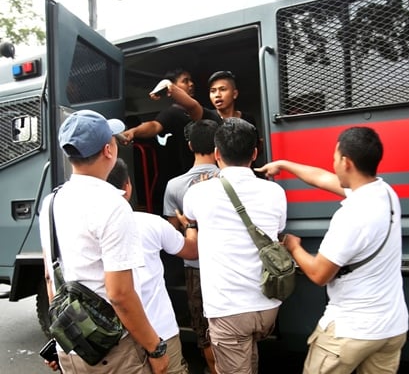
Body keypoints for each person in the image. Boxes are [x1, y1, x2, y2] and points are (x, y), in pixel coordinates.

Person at [256, 126, 409, 374]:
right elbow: (322, 177)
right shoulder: (385, 193)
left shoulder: (351, 215)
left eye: (335, 158)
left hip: (351, 332)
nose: (333, 163)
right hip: (392, 329)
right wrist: (284, 164)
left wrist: (293, 247)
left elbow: (319, 274)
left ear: (346, 162)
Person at [39, 110, 168, 374]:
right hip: (113, 351)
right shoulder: (113, 204)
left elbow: (52, 279)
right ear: (109, 150)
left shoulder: (51, 201)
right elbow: (120, 294)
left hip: (73, 349)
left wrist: (64, 338)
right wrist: (155, 348)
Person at [182, 118, 287, 374]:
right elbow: (278, 228)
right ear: (254, 153)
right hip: (268, 306)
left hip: (229, 310)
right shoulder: (275, 192)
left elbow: (189, 217)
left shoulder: (198, 192)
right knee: (249, 360)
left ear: (217, 153)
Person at [107, 158, 199, 374]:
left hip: (113, 338)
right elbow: (191, 251)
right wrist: (191, 224)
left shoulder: (77, 228)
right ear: (127, 187)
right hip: (160, 331)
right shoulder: (151, 223)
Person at [162, 119, 220, 374]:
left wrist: (189, 226)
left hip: (196, 268)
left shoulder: (174, 185)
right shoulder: (229, 178)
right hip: (230, 263)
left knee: (205, 330)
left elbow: (171, 229)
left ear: (189, 145)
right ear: (219, 145)